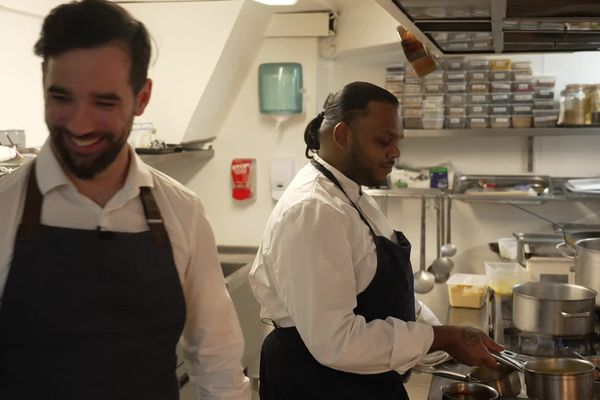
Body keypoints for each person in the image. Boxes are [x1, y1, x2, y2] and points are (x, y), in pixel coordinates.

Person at [0, 1, 249, 399]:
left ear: (143, 97)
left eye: (104, 102)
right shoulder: (3, 209)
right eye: (61, 98)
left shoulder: (180, 212)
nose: (80, 124)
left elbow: (218, 365)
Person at [249, 81, 503, 400]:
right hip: (318, 384)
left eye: (397, 141)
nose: (395, 152)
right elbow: (337, 340)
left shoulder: (353, 195)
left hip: (361, 381)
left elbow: (389, 297)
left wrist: (447, 341)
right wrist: (439, 338)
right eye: (384, 140)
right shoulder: (313, 210)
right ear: (342, 135)